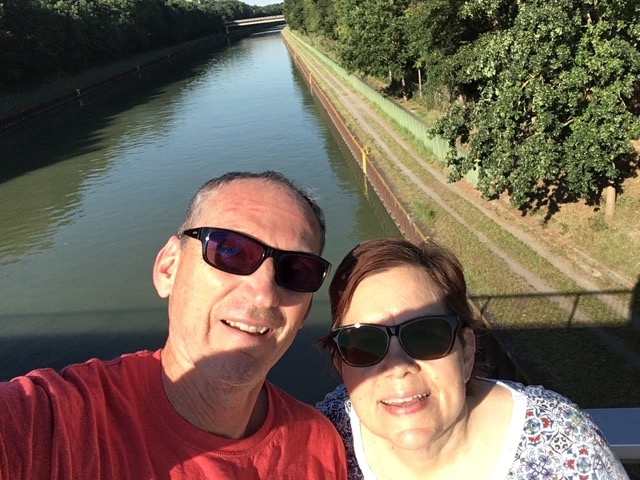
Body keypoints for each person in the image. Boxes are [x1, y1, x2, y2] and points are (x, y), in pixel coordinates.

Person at [0, 171, 348, 479]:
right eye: (231, 251)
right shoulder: (53, 425)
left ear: (303, 315)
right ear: (169, 268)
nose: (264, 294)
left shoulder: (319, 444)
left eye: (297, 271)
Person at [316, 238, 628, 479]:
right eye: (364, 343)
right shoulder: (318, 438)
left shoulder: (561, 445)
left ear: (466, 350)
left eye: (425, 335)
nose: (398, 369)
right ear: (340, 362)